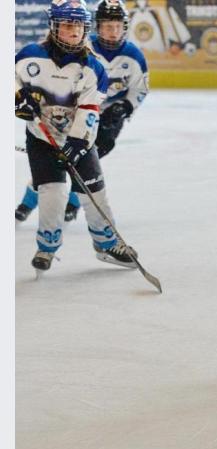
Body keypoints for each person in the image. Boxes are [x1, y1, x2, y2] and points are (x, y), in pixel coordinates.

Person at [15, 0, 136, 271]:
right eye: (68, 24)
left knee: (94, 192)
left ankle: (106, 245)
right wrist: (16, 101)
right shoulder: (29, 56)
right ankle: (47, 247)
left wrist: (77, 142)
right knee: (53, 194)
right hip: (41, 139)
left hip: (80, 140)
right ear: (54, 26)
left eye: (79, 25)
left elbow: (90, 109)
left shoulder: (94, 68)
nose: (74, 31)